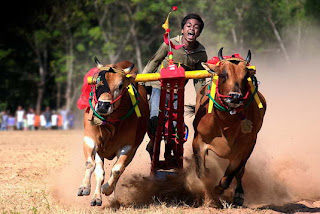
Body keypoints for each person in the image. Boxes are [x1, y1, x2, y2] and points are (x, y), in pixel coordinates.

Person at [141, 14, 207, 158]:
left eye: (196, 27)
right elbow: (154, 61)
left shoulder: (200, 53)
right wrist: (142, 82)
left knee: (176, 123)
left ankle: (170, 150)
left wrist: (202, 97)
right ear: (182, 30)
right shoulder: (169, 43)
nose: (192, 29)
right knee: (154, 116)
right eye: (188, 26)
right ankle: (152, 142)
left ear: (199, 33)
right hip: (158, 86)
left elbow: (199, 79)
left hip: (178, 91)